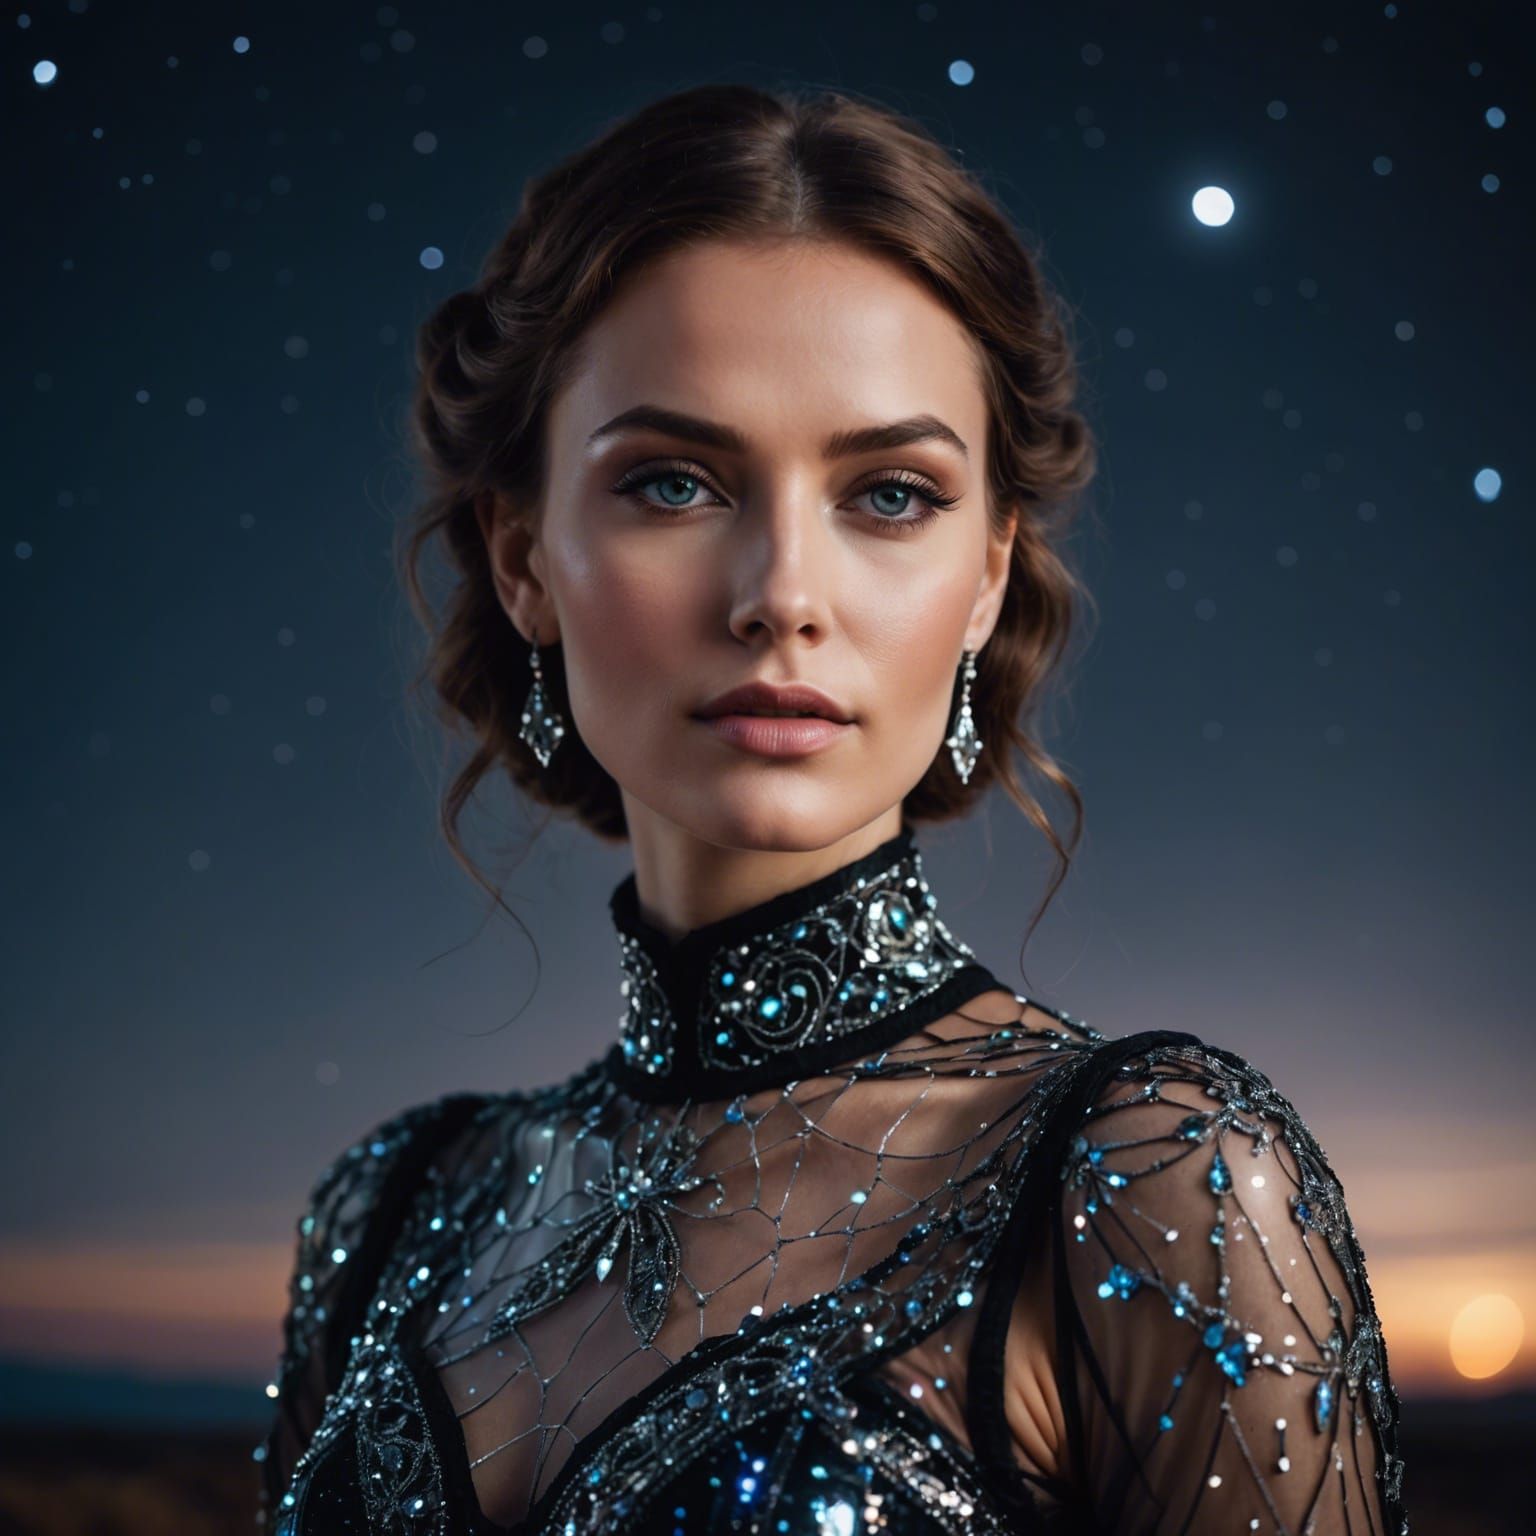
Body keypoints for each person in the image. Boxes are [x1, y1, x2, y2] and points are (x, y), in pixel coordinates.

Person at [255, 83, 1407, 1535]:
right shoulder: (386, 1213)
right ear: (523, 557)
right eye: (673, 483)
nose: (782, 597)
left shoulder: (1153, 1176)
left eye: (890, 496)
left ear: (989, 573)